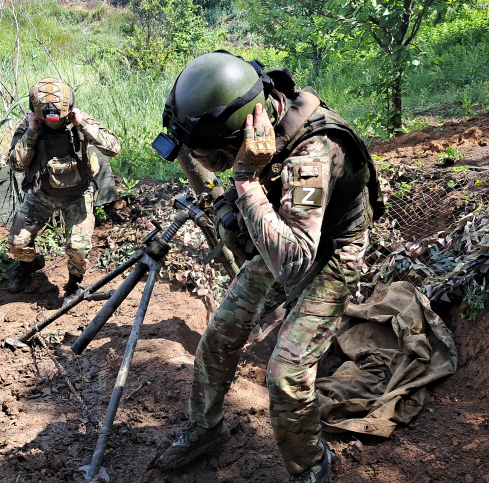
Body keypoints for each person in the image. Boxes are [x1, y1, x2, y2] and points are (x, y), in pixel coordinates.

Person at [152, 52, 383, 483]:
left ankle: (311, 467)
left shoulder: (311, 157)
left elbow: (295, 262)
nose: (208, 167)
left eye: (216, 158)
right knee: (220, 336)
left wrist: (244, 182)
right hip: (285, 230)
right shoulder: (251, 117)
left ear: (240, 136)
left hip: (331, 250)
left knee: (286, 374)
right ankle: (206, 428)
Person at [5, 77, 121, 306]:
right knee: (17, 244)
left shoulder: (79, 120)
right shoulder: (29, 126)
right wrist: (31, 132)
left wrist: (83, 126)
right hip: (41, 195)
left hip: (77, 194)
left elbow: (114, 148)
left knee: (78, 248)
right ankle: (29, 265)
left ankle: (73, 284)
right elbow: (16, 164)